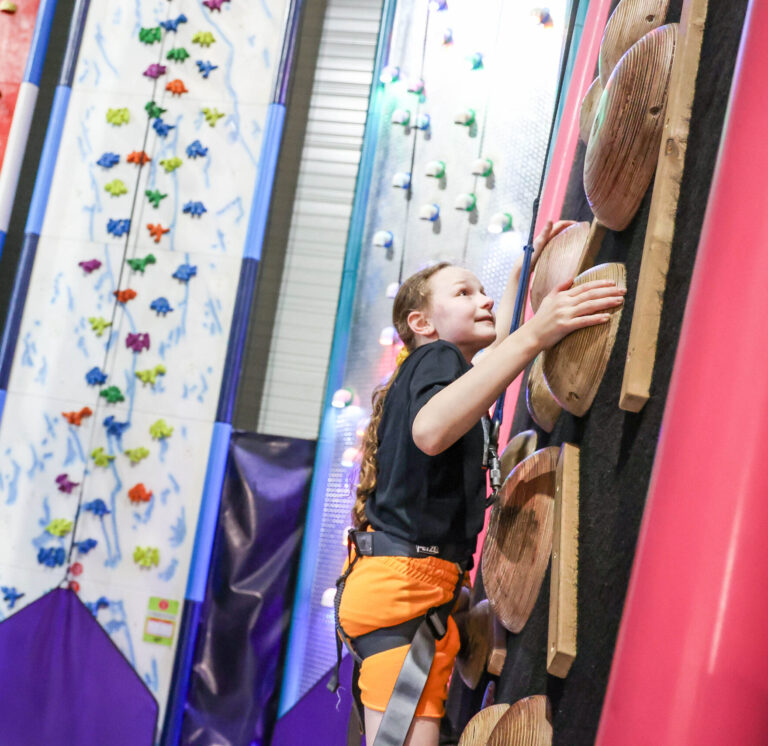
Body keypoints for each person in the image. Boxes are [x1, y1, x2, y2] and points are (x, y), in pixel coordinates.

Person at [336, 220, 626, 746]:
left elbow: (491, 365)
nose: (483, 299)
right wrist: (538, 332)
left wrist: (521, 274)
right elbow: (431, 429)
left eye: (485, 291)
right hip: (405, 593)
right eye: (464, 293)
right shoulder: (436, 357)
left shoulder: (441, 370)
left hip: (407, 590)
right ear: (422, 323)